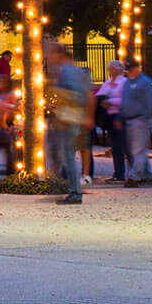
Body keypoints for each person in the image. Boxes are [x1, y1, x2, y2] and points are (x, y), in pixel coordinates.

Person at [44, 40, 93, 203]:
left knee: (67, 155)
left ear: (60, 55)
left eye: (52, 54)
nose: (50, 58)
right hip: (71, 117)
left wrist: (59, 101)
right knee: (65, 154)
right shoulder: (77, 71)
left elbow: (75, 95)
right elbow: (89, 95)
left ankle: (74, 192)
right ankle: (69, 188)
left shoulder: (67, 72)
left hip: (68, 118)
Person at [120, 58, 152, 185]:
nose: (129, 73)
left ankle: (134, 176)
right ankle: (147, 175)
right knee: (137, 150)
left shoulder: (145, 83)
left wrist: (144, 116)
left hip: (140, 120)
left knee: (137, 150)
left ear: (137, 68)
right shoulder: (127, 82)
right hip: (129, 119)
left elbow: (151, 101)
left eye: (131, 70)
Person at [91, 59, 126, 184]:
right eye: (109, 69)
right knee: (114, 146)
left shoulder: (124, 83)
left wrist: (110, 102)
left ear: (118, 70)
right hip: (109, 118)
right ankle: (117, 173)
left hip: (119, 117)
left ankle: (121, 174)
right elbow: (99, 95)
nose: (109, 71)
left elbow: (126, 100)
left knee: (120, 146)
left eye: (111, 68)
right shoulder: (107, 82)